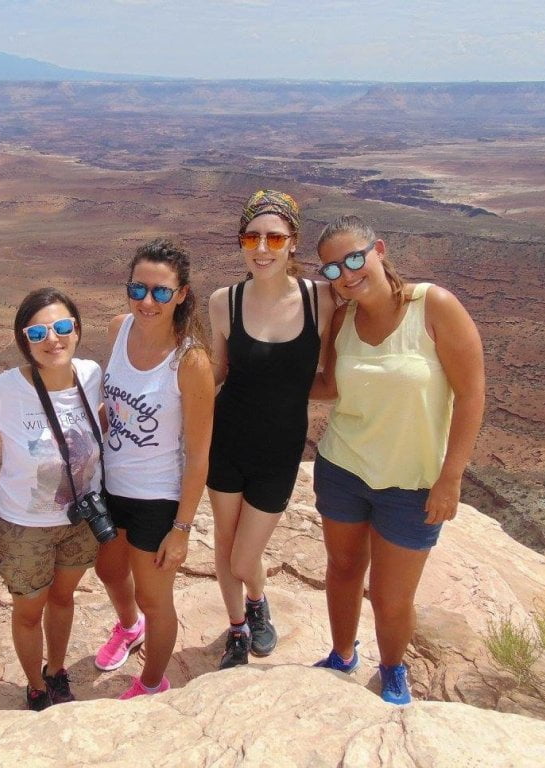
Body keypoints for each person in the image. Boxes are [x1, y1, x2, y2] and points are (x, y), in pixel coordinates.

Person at [310, 215, 485, 705]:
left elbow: (471, 394)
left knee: (391, 598)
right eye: (331, 270)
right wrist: (258, 382)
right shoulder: (342, 320)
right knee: (343, 568)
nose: (346, 274)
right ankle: (342, 654)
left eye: (353, 258)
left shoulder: (434, 306)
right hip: (343, 467)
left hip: (411, 482)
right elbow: (330, 386)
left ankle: (392, 670)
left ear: (379, 249)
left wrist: (450, 478)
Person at [206, 190, 336, 670]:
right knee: (225, 541)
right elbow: (216, 375)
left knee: (244, 558)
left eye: (274, 238)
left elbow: (336, 373)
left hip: (280, 452)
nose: (262, 248)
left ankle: (257, 597)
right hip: (228, 441)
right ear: (241, 242)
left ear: (292, 243)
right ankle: (238, 626)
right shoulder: (225, 303)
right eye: (251, 236)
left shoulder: (321, 299)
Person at [94, 239, 215, 699]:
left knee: (155, 598)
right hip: (111, 485)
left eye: (161, 292)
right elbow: (114, 404)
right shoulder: (119, 329)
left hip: (157, 498)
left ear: (181, 294)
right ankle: (128, 628)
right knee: (108, 571)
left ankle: (151, 683)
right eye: (138, 289)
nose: (148, 302)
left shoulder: (190, 361)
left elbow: (199, 452)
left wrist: (182, 527)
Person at [0, 288, 103, 711]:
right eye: (38, 332)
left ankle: (57, 669)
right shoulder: (2, 390)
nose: (53, 339)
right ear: (23, 339)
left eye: (63, 327)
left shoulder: (90, 375)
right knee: (29, 611)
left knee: (63, 599)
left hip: (80, 520)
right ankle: (34, 684)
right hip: (25, 526)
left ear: (77, 330)